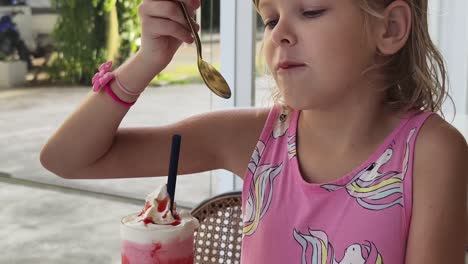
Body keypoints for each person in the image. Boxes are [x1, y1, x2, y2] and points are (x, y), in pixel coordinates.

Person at [40, 0, 467, 262]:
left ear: (389, 28)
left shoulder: (430, 154)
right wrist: (148, 58)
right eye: (269, 18)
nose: (279, 33)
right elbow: (67, 158)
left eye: (311, 10)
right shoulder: (254, 139)